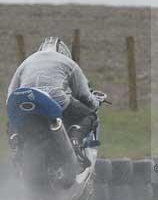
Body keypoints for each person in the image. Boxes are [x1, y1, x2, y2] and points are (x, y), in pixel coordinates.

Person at [7, 36, 101, 165]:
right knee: (89, 115)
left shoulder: (25, 63)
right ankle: (75, 141)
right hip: (54, 99)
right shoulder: (69, 63)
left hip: (24, 99)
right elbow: (84, 96)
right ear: (64, 53)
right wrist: (96, 103)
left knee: (13, 116)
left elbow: (10, 95)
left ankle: (16, 140)